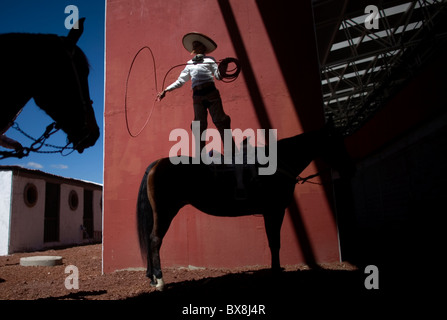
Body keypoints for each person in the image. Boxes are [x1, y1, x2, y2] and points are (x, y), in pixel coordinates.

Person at [157, 32, 235, 156]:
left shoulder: (210, 60)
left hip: (211, 92)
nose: (195, 48)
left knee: (221, 120)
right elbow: (180, 80)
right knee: (199, 125)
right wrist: (166, 90)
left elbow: (218, 76)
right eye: (194, 46)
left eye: (197, 45)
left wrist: (223, 67)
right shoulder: (189, 64)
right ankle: (200, 157)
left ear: (202, 48)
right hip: (198, 95)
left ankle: (232, 153)